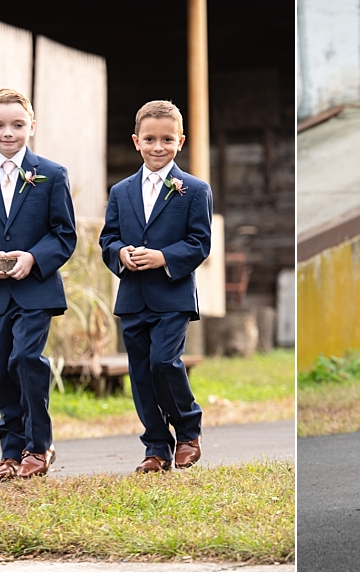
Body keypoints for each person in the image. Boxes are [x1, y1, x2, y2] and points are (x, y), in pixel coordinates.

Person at [0, 88, 77, 481]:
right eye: (0, 125)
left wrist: (33, 258)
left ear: (32, 127)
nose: (9, 133)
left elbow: (64, 234)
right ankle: (10, 453)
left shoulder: (52, 175)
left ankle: (39, 447)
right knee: (3, 370)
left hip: (37, 289)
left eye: (18, 125)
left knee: (24, 359)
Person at [99, 100, 212, 473]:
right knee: (141, 373)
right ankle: (156, 447)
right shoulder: (120, 192)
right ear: (136, 141)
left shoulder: (194, 190)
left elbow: (199, 243)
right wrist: (121, 254)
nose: (158, 146)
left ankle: (188, 429)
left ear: (181, 140)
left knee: (164, 361)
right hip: (132, 297)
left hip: (172, 295)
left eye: (166, 139)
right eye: (150, 139)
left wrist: (164, 257)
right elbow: (107, 239)